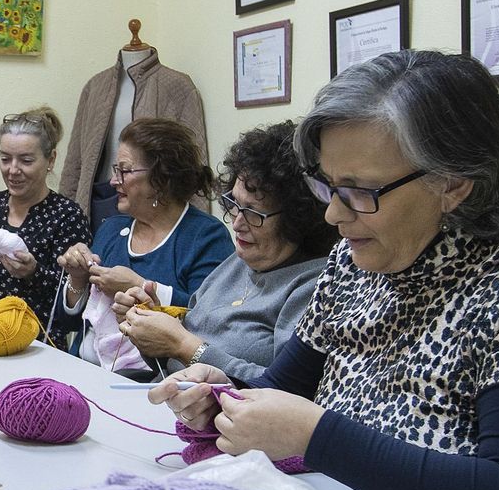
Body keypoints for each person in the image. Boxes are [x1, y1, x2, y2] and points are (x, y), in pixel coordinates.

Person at [153, 50, 499, 490]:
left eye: (359, 191)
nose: (333, 213)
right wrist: (226, 399)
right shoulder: (352, 262)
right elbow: (283, 391)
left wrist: (316, 436)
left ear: (453, 183)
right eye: (327, 184)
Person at [112, 120, 338, 383]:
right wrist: (150, 327)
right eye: (233, 204)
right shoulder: (237, 262)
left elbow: (283, 389)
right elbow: (172, 360)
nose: (238, 223)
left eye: (253, 212)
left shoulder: (313, 285)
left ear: (298, 218)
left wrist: (183, 345)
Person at [57, 117, 232, 379]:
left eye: (124, 171)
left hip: (151, 387)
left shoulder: (205, 237)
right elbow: (67, 322)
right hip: (84, 375)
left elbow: (208, 322)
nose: (114, 181)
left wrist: (140, 285)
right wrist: (77, 278)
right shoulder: (112, 230)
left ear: (161, 180)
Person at [0, 107, 91, 345]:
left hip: (38, 346)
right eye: (5, 159)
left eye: (26, 160)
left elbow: (75, 303)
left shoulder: (67, 216)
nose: (13, 170)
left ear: (50, 160)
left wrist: (34, 273)